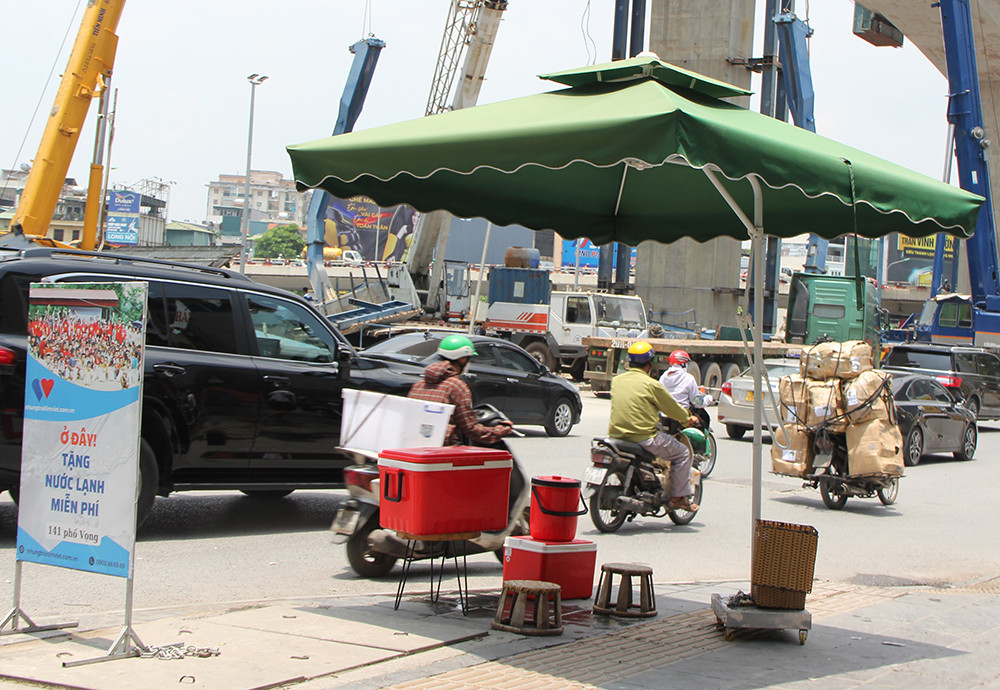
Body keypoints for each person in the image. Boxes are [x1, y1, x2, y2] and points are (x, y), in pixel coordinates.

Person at [609, 341, 700, 512]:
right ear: (649, 365)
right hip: (643, 438)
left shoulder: (617, 381)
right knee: (682, 452)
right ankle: (677, 499)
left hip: (616, 436)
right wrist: (687, 419)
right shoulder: (652, 384)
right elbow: (671, 408)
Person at [408, 334, 513, 445]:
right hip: (445, 448)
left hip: (415, 444)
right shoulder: (456, 386)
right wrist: (501, 430)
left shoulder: (418, 385)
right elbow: (471, 429)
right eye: (469, 358)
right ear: (462, 359)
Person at [658, 350, 710, 429]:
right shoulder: (688, 378)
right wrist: (708, 399)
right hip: (681, 418)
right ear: (683, 363)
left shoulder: (663, 377)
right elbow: (697, 402)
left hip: (663, 417)